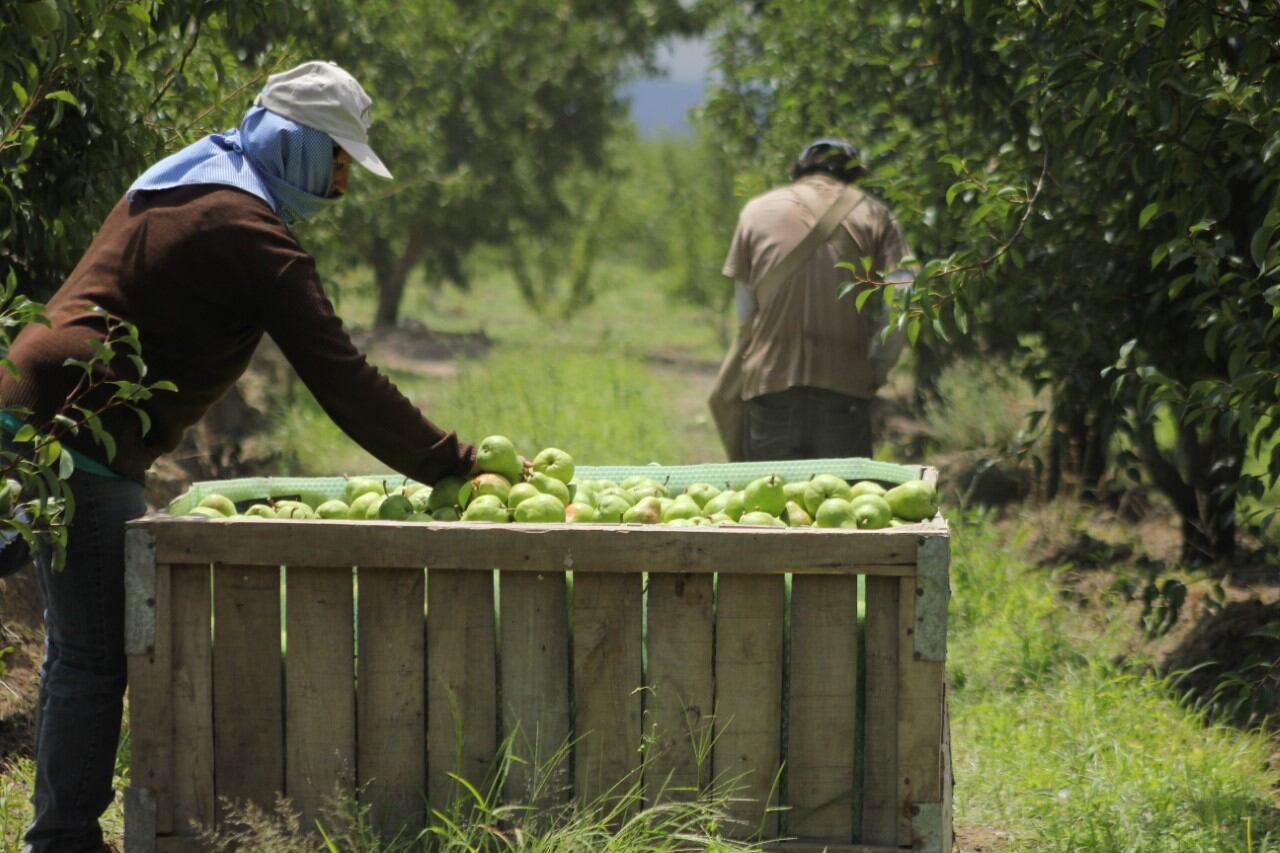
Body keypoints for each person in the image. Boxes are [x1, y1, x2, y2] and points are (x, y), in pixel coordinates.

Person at [0, 61, 478, 853]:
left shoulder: (190, 178)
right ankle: (62, 842)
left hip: (36, 405)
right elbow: (342, 377)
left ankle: (59, 832)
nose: (343, 184)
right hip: (76, 433)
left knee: (72, 638)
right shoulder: (248, 231)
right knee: (90, 652)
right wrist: (454, 462)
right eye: (339, 159)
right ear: (298, 146)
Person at [721, 137, 912, 461]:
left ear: (800, 170)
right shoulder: (876, 215)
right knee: (843, 505)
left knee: (765, 506)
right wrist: (878, 367)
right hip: (845, 392)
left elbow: (744, 311)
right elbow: (903, 295)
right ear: (853, 175)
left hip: (770, 388)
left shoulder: (756, 211)